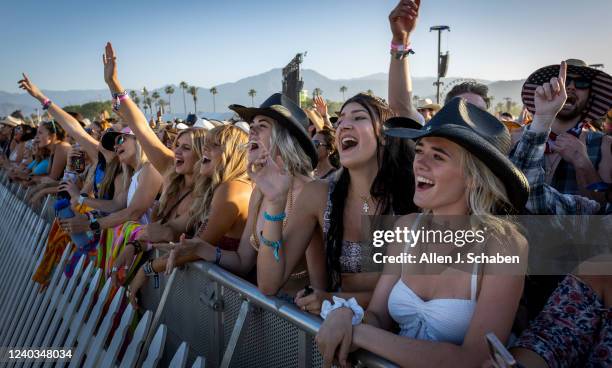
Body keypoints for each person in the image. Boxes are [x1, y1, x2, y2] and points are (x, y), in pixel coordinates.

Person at [315, 97, 529, 368]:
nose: (420, 164)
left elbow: (475, 358)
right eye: (419, 150)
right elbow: (379, 315)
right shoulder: (406, 227)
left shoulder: (505, 246)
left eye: (438, 156)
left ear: (473, 176)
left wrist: (360, 333)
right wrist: (346, 314)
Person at [252, 90, 417, 313]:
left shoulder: (413, 197)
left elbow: (411, 292)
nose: (343, 126)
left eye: (358, 117)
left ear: (385, 136)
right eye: (339, 121)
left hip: (398, 335)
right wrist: (275, 202)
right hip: (336, 331)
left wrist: (334, 299)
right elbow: (269, 284)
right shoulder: (318, 194)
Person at [158, 93, 327, 299]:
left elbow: (270, 286)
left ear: (285, 137)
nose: (252, 130)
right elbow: (243, 261)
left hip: (300, 321)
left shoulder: (310, 192)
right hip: (271, 313)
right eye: (252, 125)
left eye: (262, 125)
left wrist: (275, 203)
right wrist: (202, 249)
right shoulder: (259, 191)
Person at [518, 59, 612, 202]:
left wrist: (583, 163)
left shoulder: (604, 144)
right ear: (549, 87)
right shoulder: (517, 139)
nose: (571, 87)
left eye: (582, 83)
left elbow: (603, 207)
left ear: (590, 95)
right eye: (564, 80)